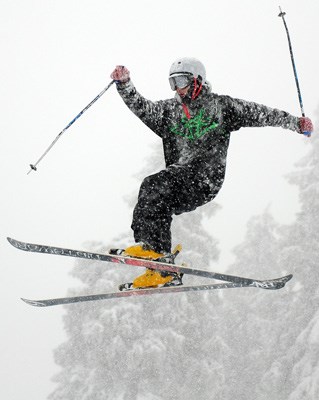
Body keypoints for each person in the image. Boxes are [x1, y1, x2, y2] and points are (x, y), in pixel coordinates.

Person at [110, 57, 313, 289]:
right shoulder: (169, 111)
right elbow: (141, 107)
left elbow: (260, 112)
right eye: (172, 83)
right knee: (153, 197)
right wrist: (125, 84)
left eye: (182, 80)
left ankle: (154, 252)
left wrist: (295, 123)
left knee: (156, 184)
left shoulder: (221, 107)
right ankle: (159, 265)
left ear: (197, 80)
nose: (178, 88)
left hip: (204, 179)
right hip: (179, 182)